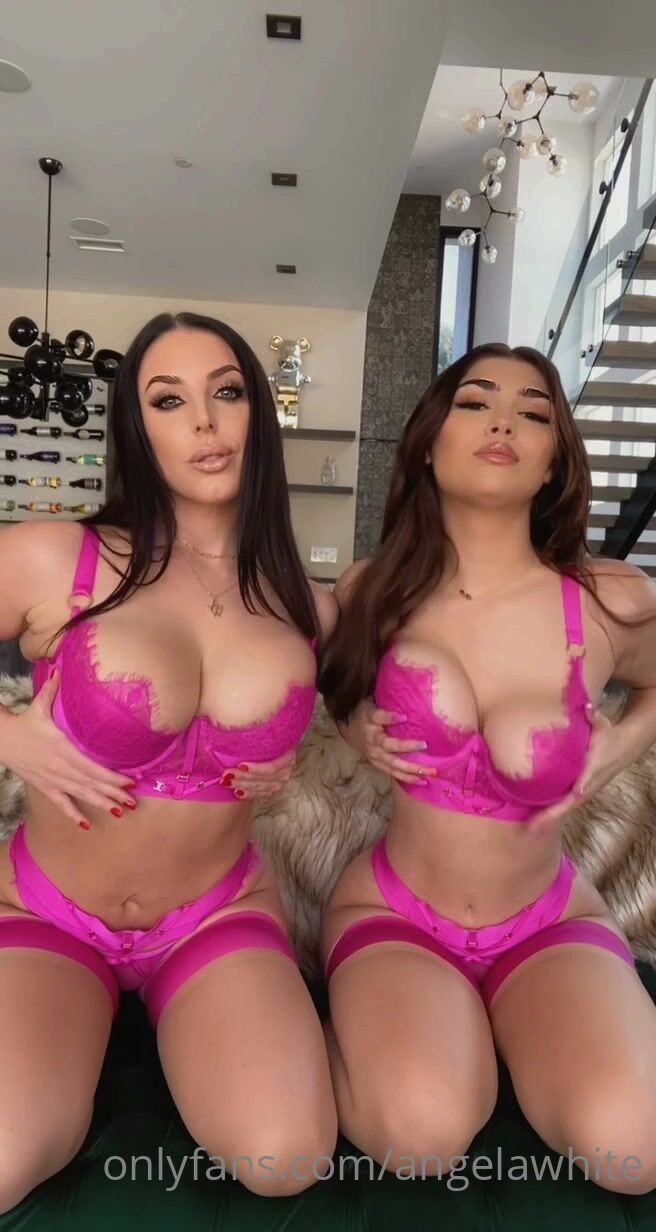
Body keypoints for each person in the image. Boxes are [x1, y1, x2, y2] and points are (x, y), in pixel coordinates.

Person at [0, 311, 338, 1208]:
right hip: (48, 913)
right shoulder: (58, 558)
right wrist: (10, 734)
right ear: (135, 424)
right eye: (168, 399)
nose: (205, 421)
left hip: (214, 917)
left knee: (284, 1158)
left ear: (258, 412)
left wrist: (298, 752)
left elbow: (395, 697)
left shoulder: (308, 606)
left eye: (227, 392)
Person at [319, 342, 656, 1194]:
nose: (503, 422)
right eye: (475, 403)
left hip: (549, 922)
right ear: (429, 443)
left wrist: (624, 742)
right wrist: (358, 729)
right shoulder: (370, 592)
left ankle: (510, 1029)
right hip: (396, 911)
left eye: (533, 413)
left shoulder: (607, 599)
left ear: (553, 462)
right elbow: (329, 687)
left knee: (636, 1152)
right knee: (420, 1136)